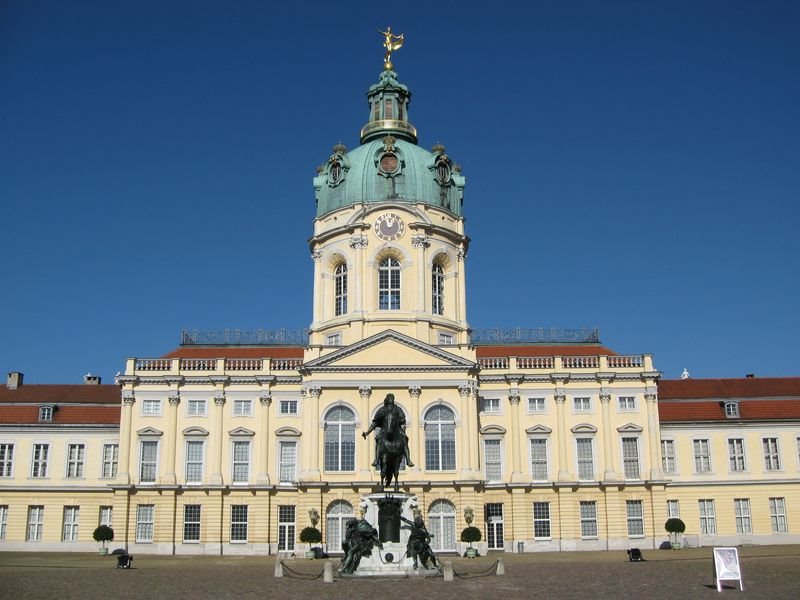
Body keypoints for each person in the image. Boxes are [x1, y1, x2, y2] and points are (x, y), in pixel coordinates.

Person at [362, 393, 414, 468]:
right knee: (379, 439)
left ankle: (408, 460)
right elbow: (375, 423)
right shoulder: (382, 410)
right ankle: (376, 459)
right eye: (389, 399)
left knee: (404, 439)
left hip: (396, 429)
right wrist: (367, 432)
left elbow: (403, 421)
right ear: (386, 400)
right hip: (384, 430)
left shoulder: (398, 409)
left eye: (392, 399)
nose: (391, 400)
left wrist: (403, 431)